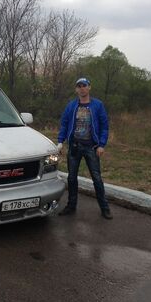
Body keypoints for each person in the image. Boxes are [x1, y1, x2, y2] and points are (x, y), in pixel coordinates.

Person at [57, 77, 113, 220]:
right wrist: (60, 141)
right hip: (74, 147)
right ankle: (71, 206)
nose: (82, 88)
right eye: (79, 86)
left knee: (97, 178)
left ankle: (105, 208)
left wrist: (101, 145)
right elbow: (64, 124)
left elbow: (104, 126)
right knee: (71, 178)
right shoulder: (71, 106)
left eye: (84, 85)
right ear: (76, 89)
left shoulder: (98, 105)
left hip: (91, 147)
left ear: (89, 87)